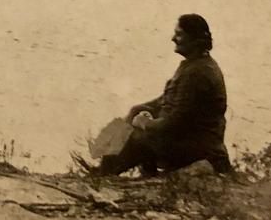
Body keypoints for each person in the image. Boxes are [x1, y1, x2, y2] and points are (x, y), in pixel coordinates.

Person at [98, 13, 232, 176]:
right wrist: (140, 110)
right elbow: (166, 100)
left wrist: (145, 123)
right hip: (190, 140)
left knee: (139, 139)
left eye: (179, 34)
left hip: (199, 148)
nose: (173, 39)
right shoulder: (194, 65)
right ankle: (108, 169)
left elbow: (175, 122)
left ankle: (105, 174)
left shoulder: (198, 73)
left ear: (194, 39)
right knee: (135, 113)